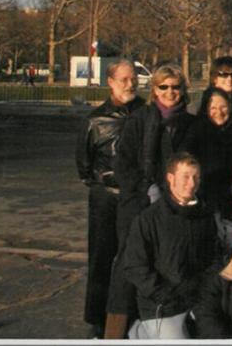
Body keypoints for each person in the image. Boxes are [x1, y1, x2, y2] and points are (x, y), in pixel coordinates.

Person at [107, 63, 197, 339]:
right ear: (154, 89)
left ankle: (155, 323)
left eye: (175, 87)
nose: (170, 92)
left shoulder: (191, 124)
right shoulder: (141, 119)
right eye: (163, 87)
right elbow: (122, 164)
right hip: (140, 203)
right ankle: (114, 331)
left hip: (175, 206)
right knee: (129, 266)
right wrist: (146, 188)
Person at [74, 59, 143, 338]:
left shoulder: (145, 112)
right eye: (124, 80)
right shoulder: (95, 120)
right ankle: (97, 318)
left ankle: (132, 314)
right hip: (106, 199)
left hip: (136, 197)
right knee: (102, 257)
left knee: (136, 257)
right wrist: (106, 183)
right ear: (111, 82)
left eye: (133, 79)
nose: (130, 84)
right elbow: (84, 165)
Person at [121, 153, 220, 339]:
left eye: (196, 177)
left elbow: (213, 258)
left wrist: (205, 291)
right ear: (170, 178)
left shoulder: (204, 216)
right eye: (185, 176)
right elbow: (135, 266)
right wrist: (164, 295)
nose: (191, 183)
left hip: (198, 300)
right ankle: (142, 332)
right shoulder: (148, 219)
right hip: (162, 305)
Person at [185, 87, 232, 211]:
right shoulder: (196, 132)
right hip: (207, 195)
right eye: (213, 108)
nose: (219, 112)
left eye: (223, 107)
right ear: (206, 110)